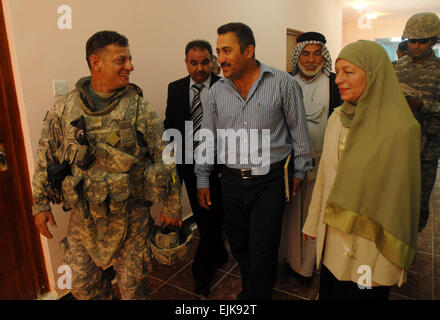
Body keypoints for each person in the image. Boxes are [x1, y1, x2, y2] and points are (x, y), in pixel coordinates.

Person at [32, 31, 182, 300]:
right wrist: (40, 203)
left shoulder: (140, 109)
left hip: (131, 219)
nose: (130, 66)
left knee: (132, 290)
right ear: (96, 62)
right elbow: (47, 156)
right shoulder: (64, 109)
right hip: (84, 220)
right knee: (82, 288)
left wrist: (172, 206)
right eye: (121, 60)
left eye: (130, 59)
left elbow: (166, 158)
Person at [195, 22, 312, 300]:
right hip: (232, 182)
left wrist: (299, 172)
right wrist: (202, 177)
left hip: (270, 181)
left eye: (227, 50)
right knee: (240, 246)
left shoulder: (284, 83)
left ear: (249, 51)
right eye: (218, 51)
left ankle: (255, 297)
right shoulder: (215, 93)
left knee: (263, 249)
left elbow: (299, 133)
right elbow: (207, 138)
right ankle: (254, 291)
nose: (220, 58)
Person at [302, 40, 421, 300]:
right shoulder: (337, 119)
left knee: (363, 293)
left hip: (373, 249)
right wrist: (312, 223)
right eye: (338, 71)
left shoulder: (401, 130)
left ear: (374, 74)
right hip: (335, 237)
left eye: (349, 72)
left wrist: (394, 257)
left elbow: (403, 201)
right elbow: (324, 178)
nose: (338, 79)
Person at [164, 40, 227, 297]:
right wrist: (172, 169)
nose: (200, 68)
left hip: (220, 167)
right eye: (194, 62)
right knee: (206, 220)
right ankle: (213, 259)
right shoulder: (176, 88)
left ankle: (204, 269)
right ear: (186, 62)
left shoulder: (224, 87)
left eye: (204, 62)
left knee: (216, 217)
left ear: (211, 61)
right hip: (190, 168)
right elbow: (171, 126)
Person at [279, 31, 342, 286]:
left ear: (324, 57)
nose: (311, 60)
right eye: (305, 53)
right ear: (298, 55)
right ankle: (287, 259)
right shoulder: (285, 82)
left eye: (317, 54)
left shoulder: (335, 83)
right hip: (289, 165)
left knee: (314, 215)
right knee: (290, 215)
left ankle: (306, 267)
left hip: (323, 164)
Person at [394, 12, 440, 232]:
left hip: (427, 148)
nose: (416, 46)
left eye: (422, 41)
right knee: (394, 198)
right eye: (412, 41)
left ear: (433, 40)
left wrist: (422, 105)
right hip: (398, 145)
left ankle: (411, 241)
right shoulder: (396, 68)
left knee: (419, 202)